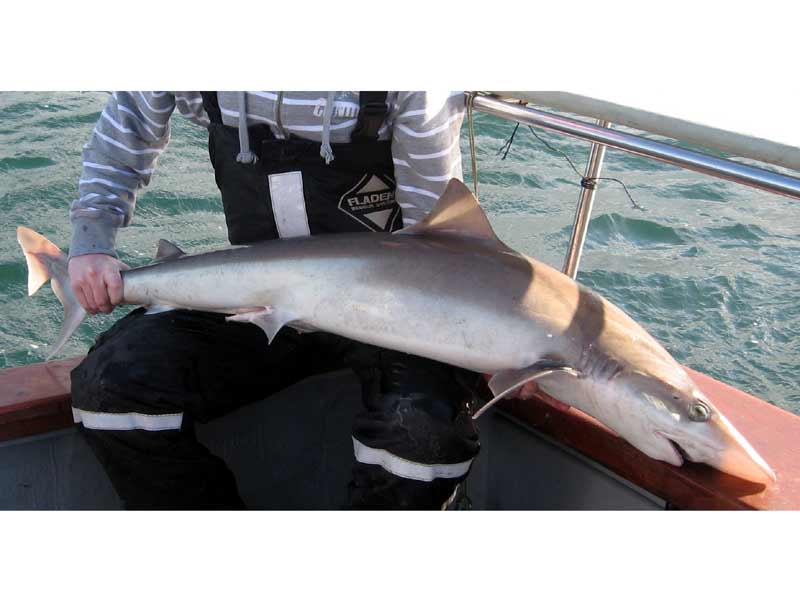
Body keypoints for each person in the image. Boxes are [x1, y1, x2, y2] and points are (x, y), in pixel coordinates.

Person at [67, 91, 481, 509]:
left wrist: (502, 341)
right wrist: (92, 238)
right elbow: (130, 123)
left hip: (389, 315)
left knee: (425, 431)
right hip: (257, 305)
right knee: (111, 387)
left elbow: (434, 237)